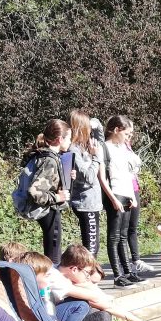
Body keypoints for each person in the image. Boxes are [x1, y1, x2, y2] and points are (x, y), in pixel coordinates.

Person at [54, 245, 155, 321]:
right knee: (87, 307)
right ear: (74, 269)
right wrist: (87, 287)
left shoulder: (59, 272)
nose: (88, 277)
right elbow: (97, 299)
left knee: (92, 308)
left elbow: (104, 303)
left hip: (55, 316)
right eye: (87, 273)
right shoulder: (58, 281)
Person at [100, 115, 144, 287]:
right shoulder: (104, 147)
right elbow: (103, 177)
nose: (128, 137)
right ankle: (118, 275)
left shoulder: (122, 148)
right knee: (114, 236)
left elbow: (128, 174)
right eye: (127, 134)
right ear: (116, 130)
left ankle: (128, 271)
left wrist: (132, 196)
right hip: (115, 195)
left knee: (124, 235)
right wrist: (112, 198)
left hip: (127, 194)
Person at [23, 119, 73, 264]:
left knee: (52, 248)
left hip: (49, 210)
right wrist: (57, 197)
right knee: (53, 253)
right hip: (48, 211)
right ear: (59, 139)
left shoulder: (46, 155)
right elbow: (35, 191)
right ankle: (50, 283)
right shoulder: (49, 159)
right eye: (68, 138)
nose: (70, 142)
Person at [67, 110, 103, 257]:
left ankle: (88, 272)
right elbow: (88, 176)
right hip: (85, 202)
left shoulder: (87, 144)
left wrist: (96, 123)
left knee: (94, 245)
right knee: (91, 246)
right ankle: (88, 274)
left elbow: (100, 137)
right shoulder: (74, 149)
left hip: (93, 202)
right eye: (87, 126)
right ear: (81, 127)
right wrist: (96, 158)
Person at [124, 123, 155, 273]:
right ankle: (125, 263)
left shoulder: (127, 146)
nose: (129, 137)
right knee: (124, 229)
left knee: (133, 227)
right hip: (125, 191)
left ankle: (135, 260)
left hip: (134, 188)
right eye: (127, 134)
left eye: (131, 134)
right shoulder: (116, 148)